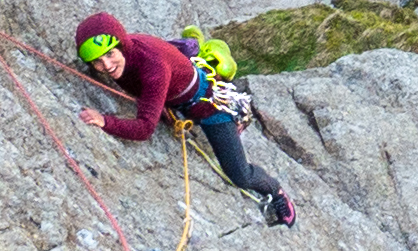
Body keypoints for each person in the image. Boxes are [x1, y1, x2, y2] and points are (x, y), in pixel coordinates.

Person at [72, 17, 296, 223]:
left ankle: (274, 189)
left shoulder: (153, 68)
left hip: (209, 106)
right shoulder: (130, 53)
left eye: (110, 55)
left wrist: (104, 121)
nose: (107, 66)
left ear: (122, 45)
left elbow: (144, 129)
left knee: (239, 175)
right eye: (97, 62)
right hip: (177, 93)